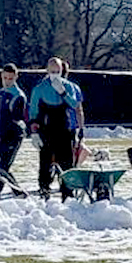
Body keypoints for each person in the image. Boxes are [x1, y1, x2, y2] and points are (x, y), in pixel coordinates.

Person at [29, 57, 81, 200]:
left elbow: (75, 105)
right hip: (47, 129)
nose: (55, 74)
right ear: (47, 70)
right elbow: (33, 111)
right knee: (45, 163)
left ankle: (68, 194)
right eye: (52, 71)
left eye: (58, 71)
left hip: (65, 130)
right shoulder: (39, 89)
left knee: (66, 164)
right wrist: (34, 132)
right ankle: (44, 190)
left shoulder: (69, 86)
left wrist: (63, 92)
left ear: (62, 71)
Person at [0, 63, 28, 201]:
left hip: (13, 135)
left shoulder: (18, 96)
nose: (7, 81)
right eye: (5, 78)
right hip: (2, 134)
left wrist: (0, 136)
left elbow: (12, 120)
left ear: (16, 77)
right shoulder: (1, 92)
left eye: (10, 79)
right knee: (1, 166)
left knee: (2, 166)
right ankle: (17, 192)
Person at [62, 60, 89, 167]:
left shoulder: (49, 87)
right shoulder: (74, 87)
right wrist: (81, 128)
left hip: (65, 127)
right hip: (69, 127)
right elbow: (79, 111)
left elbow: (79, 110)